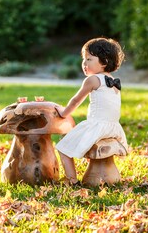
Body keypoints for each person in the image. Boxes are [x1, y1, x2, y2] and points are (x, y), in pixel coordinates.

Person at [55, 37, 128, 186]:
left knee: (62, 146)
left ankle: (72, 180)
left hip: (97, 126)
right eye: (84, 59)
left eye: (89, 59)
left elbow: (76, 100)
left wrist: (63, 113)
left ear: (104, 62)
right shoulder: (113, 81)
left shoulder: (93, 80)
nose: (84, 63)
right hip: (114, 128)